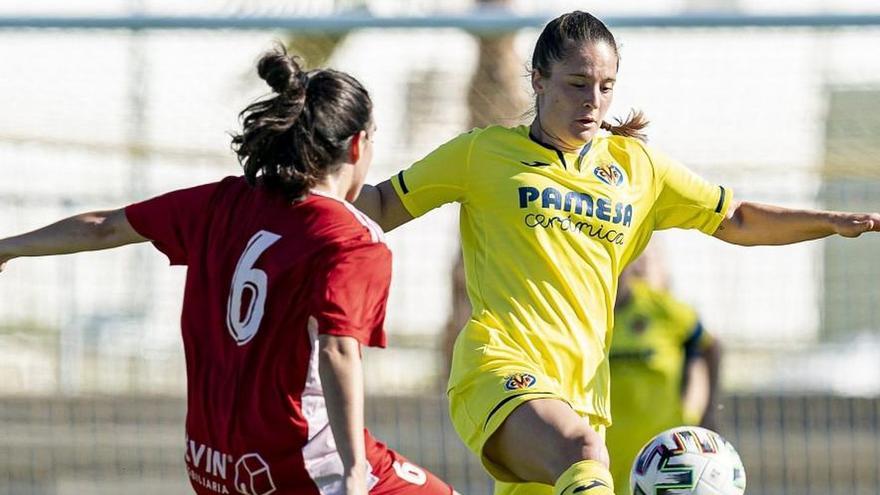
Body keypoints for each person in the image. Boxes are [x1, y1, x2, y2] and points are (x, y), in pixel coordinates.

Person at [352, 10, 880, 495]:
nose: (593, 102)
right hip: (498, 367)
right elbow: (378, 205)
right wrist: (297, 192)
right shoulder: (481, 153)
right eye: (577, 85)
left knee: (583, 454)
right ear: (538, 80)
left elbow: (737, 219)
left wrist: (831, 223)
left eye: (606, 88)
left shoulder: (637, 168)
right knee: (580, 450)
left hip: (584, 394)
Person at [0, 46, 457, 495]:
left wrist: (8, 248)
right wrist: (355, 471)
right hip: (299, 466)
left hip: (213, 464)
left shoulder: (223, 202)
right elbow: (337, 350)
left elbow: (104, 227)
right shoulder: (351, 238)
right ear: (358, 145)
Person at [607, 248, 722, 493]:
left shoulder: (662, 309)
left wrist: (708, 411)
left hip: (664, 452)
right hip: (602, 450)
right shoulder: (580, 316)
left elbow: (710, 346)